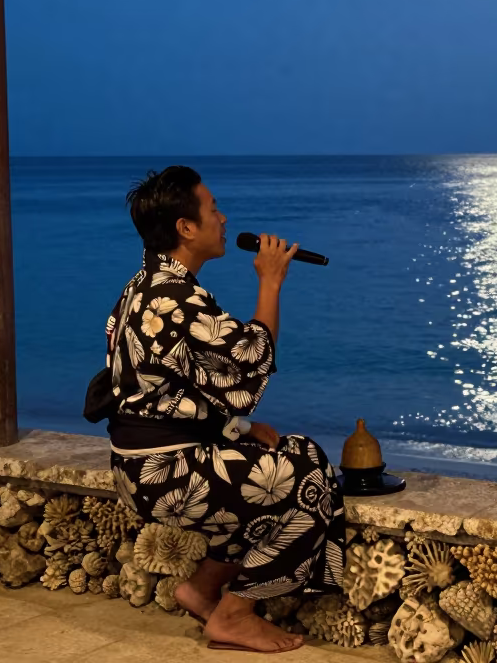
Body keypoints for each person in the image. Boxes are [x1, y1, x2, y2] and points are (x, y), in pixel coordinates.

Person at [106, 165, 344, 654]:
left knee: (295, 451)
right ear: (185, 228)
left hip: (136, 467)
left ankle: (201, 589)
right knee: (308, 477)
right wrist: (271, 281)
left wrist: (238, 427)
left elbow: (178, 389)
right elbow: (248, 366)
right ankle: (235, 614)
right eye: (212, 209)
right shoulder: (176, 298)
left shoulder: (142, 287)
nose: (223, 218)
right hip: (167, 473)